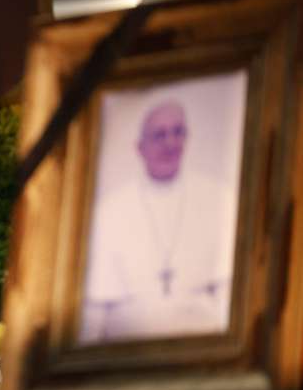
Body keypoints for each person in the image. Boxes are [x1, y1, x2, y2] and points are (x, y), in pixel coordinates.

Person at [79, 101, 237, 344]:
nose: (170, 144)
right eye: (159, 135)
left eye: (178, 132)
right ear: (139, 147)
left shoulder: (218, 198)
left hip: (202, 346)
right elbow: (95, 310)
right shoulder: (111, 210)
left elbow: (229, 295)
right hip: (126, 349)